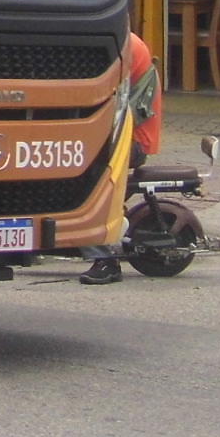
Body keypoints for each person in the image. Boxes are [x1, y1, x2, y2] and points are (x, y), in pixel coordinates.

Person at [80, 31, 161, 285]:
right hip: (121, 134)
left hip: (131, 140)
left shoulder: (123, 48)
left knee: (85, 179)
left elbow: (104, 100)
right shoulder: (117, 41)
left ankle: (105, 259)